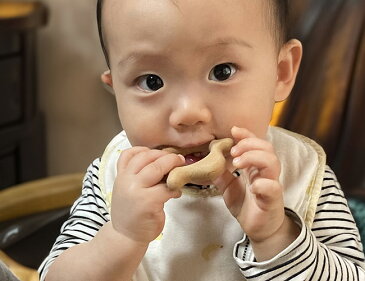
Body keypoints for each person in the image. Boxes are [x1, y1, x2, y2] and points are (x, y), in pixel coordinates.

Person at [39, 0, 365, 280]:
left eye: (222, 71)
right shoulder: (113, 178)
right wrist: (121, 236)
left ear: (281, 72)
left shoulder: (303, 173)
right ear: (116, 90)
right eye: (151, 81)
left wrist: (276, 236)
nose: (188, 113)